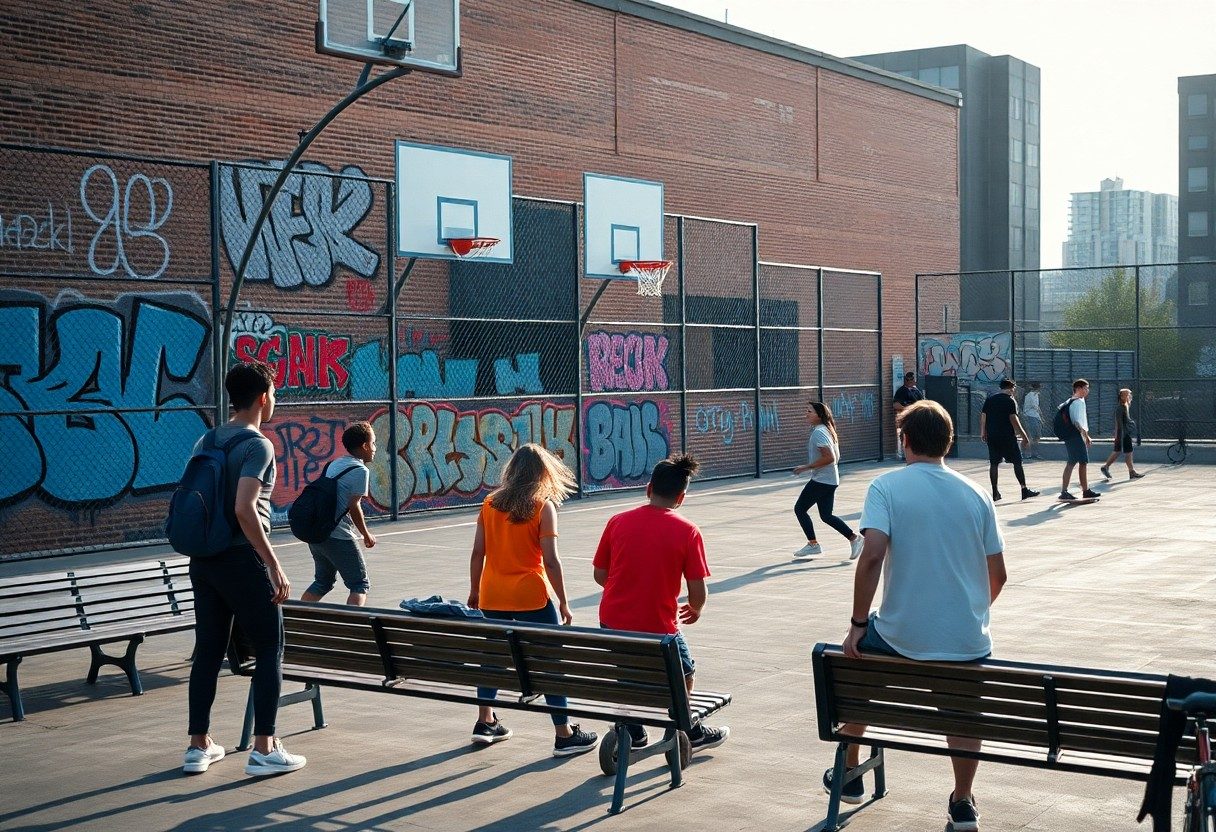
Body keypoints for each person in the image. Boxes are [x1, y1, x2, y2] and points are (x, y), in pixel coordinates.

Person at [822, 400, 1006, 832]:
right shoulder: (976, 493)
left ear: (904, 441)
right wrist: (968, 612)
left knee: (856, 663)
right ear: (949, 441)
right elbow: (998, 575)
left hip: (897, 635)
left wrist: (857, 624)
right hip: (965, 640)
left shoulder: (885, 488)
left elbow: (871, 558)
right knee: (963, 713)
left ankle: (850, 772)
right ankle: (962, 801)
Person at [184, 361, 306, 777]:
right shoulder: (258, 445)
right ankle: (264, 749)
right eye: (274, 392)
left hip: (204, 560)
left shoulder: (207, 438)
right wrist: (274, 565)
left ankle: (198, 746)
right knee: (271, 647)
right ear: (263, 397)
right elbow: (244, 507)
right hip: (241, 559)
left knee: (209, 649)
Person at [466, 443, 598, 757]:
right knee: (551, 664)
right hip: (530, 595)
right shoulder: (543, 506)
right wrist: (564, 601)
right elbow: (550, 561)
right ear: (543, 473)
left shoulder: (489, 503)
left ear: (511, 470)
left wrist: (474, 590)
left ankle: (485, 721)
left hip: (493, 592)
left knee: (492, 657)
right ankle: (563, 733)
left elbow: (477, 553)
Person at [593, 454, 729, 752]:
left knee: (627, 668)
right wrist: (696, 608)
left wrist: (626, 589)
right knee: (686, 670)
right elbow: (697, 591)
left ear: (648, 488)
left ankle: (633, 729)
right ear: (681, 497)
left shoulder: (617, 521)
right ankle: (685, 727)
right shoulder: (687, 531)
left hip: (612, 619)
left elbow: (600, 574)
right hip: (658, 626)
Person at [301, 422, 377, 607]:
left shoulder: (334, 464)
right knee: (359, 584)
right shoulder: (360, 470)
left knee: (322, 582)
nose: (375, 448)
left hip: (318, 533)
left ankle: (297, 618)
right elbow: (354, 506)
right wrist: (365, 534)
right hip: (338, 534)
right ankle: (352, 628)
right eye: (373, 443)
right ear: (365, 446)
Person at [792, 401, 864, 560]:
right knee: (826, 515)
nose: (806, 414)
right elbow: (835, 457)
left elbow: (830, 458)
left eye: (809, 411)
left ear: (819, 415)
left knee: (800, 509)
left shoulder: (820, 432)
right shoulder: (826, 429)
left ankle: (813, 545)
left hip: (823, 480)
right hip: (829, 479)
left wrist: (806, 467)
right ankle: (854, 539)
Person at [979, 379, 1039, 502]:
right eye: (1014, 388)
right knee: (1017, 462)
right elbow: (1014, 419)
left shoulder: (990, 399)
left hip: (992, 436)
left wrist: (983, 431)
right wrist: (1024, 436)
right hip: (1007, 436)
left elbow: (983, 415)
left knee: (994, 463)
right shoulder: (1010, 401)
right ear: (1011, 388)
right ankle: (1024, 490)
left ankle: (995, 492)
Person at [1059, 379, 1100, 502]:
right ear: (1079, 388)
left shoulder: (1070, 400)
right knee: (1082, 462)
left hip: (1071, 436)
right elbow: (1077, 422)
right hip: (1075, 436)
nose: (1088, 390)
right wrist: (1086, 436)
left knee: (1072, 462)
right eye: (1086, 388)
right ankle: (1084, 491)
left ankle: (1066, 491)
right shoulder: (1078, 402)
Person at [1101, 388, 1146, 481]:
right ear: (1122, 397)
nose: (1130, 396)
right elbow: (1118, 423)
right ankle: (1105, 467)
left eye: (1130, 394)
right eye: (1127, 394)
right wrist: (1117, 436)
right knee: (1119, 451)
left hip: (1126, 433)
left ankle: (1131, 472)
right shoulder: (1120, 408)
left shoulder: (1126, 406)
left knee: (1128, 452)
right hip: (1122, 434)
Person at [892, 372, 924, 460]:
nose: (910, 381)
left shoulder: (916, 390)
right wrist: (908, 409)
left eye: (912, 379)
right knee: (906, 436)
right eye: (907, 379)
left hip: (917, 417)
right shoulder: (902, 391)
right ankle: (904, 454)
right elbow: (896, 405)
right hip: (907, 418)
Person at [1022, 382, 1043, 458]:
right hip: (1030, 416)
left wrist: (1041, 418)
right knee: (1031, 436)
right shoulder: (1031, 395)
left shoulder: (1035, 395)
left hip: (1035, 417)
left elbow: (1037, 407)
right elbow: (1035, 407)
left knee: (1037, 436)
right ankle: (1027, 453)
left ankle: (1033, 453)